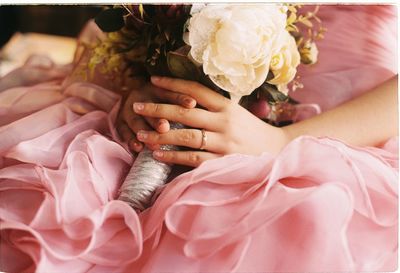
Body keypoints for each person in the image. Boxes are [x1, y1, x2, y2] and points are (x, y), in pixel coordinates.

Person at [0, 4, 397, 273]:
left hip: (348, 128)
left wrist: (283, 144)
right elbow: (116, 20)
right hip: (166, 115)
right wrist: (132, 87)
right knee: (56, 197)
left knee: (299, 219)